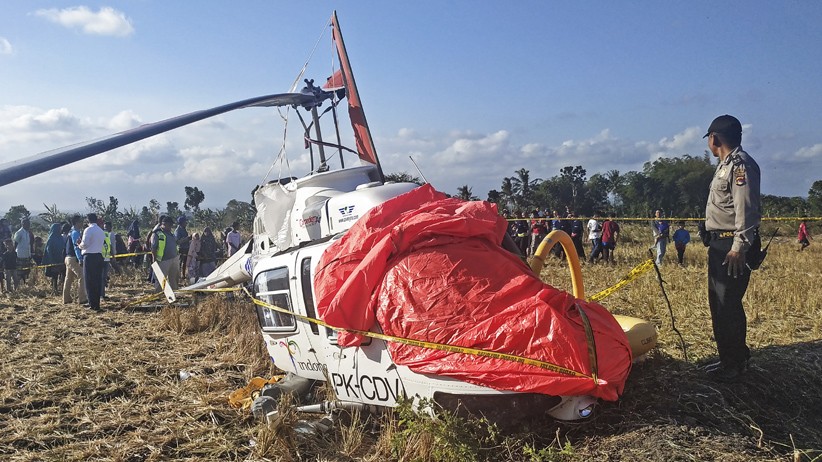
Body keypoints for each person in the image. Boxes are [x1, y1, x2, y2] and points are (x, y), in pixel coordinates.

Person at [702, 114, 761, 381]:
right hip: (720, 243)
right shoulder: (725, 165)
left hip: (731, 246)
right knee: (718, 303)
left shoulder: (740, 166)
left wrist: (738, 247)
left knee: (728, 304)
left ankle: (735, 364)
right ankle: (728, 359)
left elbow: (745, 210)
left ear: (714, 139)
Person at [78, 213, 105, 311]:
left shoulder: (88, 230)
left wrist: (79, 245)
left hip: (89, 257)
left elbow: (85, 244)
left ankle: (92, 304)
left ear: (88, 220)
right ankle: (96, 303)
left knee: (89, 281)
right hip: (99, 256)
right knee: (97, 281)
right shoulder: (100, 230)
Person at [63, 215, 88, 306]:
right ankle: (82, 298)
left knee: (68, 278)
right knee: (82, 276)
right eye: (81, 221)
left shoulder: (71, 232)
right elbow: (76, 247)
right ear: (77, 222)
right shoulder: (75, 233)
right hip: (73, 258)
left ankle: (66, 298)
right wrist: (80, 259)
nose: (82, 223)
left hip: (68, 258)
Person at [151, 215, 180, 292]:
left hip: (174, 259)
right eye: (169, 225)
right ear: (164, 224)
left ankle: (174, 294)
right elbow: (153, 248)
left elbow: (175, 243)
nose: (171, 227)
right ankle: (158, 295)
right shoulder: (157, 234)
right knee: (161, 279)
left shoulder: (171, 234)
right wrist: (154, 260)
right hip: (163, 260)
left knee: (173, 278)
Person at [42, 223, 67, 294]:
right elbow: (49, 250)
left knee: (63, 274)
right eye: (59, 228)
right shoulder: (51, 238)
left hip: (61, 258)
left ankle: (62, 288)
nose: (60, 230)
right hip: (54, 259)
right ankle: (54, 289)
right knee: (54, 275)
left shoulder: (60, 238)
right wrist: (51, 260)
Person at [13, 217, 34, 284]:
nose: (28, 225)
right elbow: (15, 243)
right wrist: (14, 253)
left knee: (27, 271)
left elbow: (29, 244)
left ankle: (25, 284)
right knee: (20, 272)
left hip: (27, 254)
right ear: (23, 224)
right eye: (27, 223)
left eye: (29, 223)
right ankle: (19, 285)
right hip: (20, 254)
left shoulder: (28, 233)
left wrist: (31, 253)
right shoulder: (19, 233)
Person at [174, 216, 191, 281]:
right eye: (185, 222)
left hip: (186, 248)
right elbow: (177, 241)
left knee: (184, 262)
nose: (186, 223)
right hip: (181, 249)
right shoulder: (178, 230)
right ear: (181, 223)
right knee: (180, 263)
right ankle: (178, 276)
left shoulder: (184, 229)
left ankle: (183, 275)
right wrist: (187, 238)